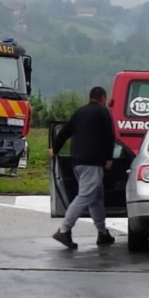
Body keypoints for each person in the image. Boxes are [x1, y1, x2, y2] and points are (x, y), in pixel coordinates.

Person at [48, 86, 116, 248]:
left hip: (76, 162)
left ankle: (103, 233)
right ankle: (64, 230)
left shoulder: (80, 112)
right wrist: (108, 158)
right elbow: (109, 136)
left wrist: (55, 149)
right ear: (102, 98)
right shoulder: (102, 112)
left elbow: (64, 132)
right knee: (86, 196)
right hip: (92, 163)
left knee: (96, 198)